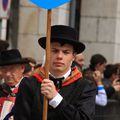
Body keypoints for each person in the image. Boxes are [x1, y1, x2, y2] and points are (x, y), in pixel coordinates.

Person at [14, 25, 96, 120]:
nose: (59, 56)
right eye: (54, 51)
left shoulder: (85, 86)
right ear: (47, 52)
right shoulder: (29, 84)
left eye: (66, 52)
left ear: (73, 56)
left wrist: (56, 99)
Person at [0, 49, 29, 119]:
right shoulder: (1, 90)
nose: (7, 74)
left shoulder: (31, 89)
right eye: (4, 69)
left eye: (12, 68)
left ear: (22, 68)